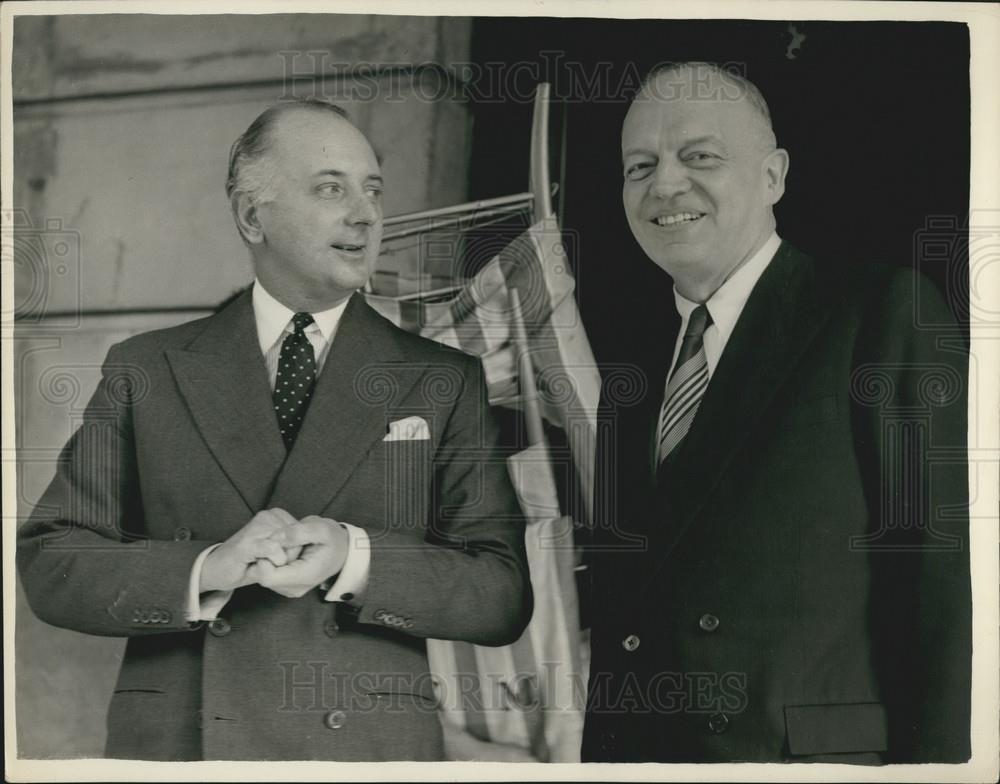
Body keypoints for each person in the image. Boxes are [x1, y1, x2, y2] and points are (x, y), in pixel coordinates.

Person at [17, 99, 532, 761]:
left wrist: (356, 557)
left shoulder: (442, 378)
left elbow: (502, 593)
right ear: (251, 215)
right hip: (187, 748)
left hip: (363, 756)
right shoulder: (146, 368)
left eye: (372, 189)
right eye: (330, 188)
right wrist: (207, 567)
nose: (365, 213)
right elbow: (51, 562)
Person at [581, 62, 970, 763]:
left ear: (773, 177)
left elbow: (946, 584)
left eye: (699, 156)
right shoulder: (632, 364)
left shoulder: (879, 314)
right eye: (639, 166)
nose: (664, 184)